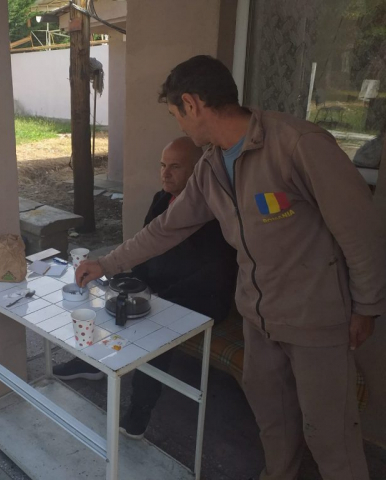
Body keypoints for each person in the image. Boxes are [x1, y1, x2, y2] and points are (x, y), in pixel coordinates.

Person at [76, 56, 385, 480]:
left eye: (176, 114)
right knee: (274, 423)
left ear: (191, 104)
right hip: (258, 318)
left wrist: (367, 306)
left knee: (330, 437)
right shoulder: (211, 166)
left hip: (315, 319)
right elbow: (166, 229)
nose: (179, 124)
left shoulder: (297, 145)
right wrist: (106, 263)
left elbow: (360, 230)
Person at [54, 139, 237, 439]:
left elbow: (213, 274)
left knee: (155, 325)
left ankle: (140, 408)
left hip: (201, 295)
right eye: (163, 165)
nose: (165, 173)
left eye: (175, 167)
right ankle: (94, 362)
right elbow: (146, 249)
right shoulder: (162, 199)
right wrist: (129, 284)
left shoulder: (213, 213)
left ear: (197, 171)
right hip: (160, 286)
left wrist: (156, 297)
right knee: (110, 297)